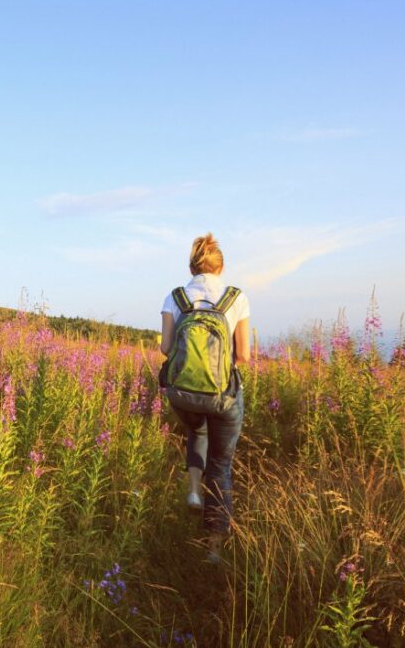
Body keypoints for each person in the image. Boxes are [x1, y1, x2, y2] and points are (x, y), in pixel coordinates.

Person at [159, 233, 250, 563]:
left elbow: (166, 348)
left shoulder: (175, 297)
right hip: (223, 396)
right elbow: (245, 355)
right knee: (221, 465)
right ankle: (213, 548)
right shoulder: (236, 298)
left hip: (182, 394)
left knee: (197, 431)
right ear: (221, 267)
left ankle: (195, 492)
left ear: (191, 268)